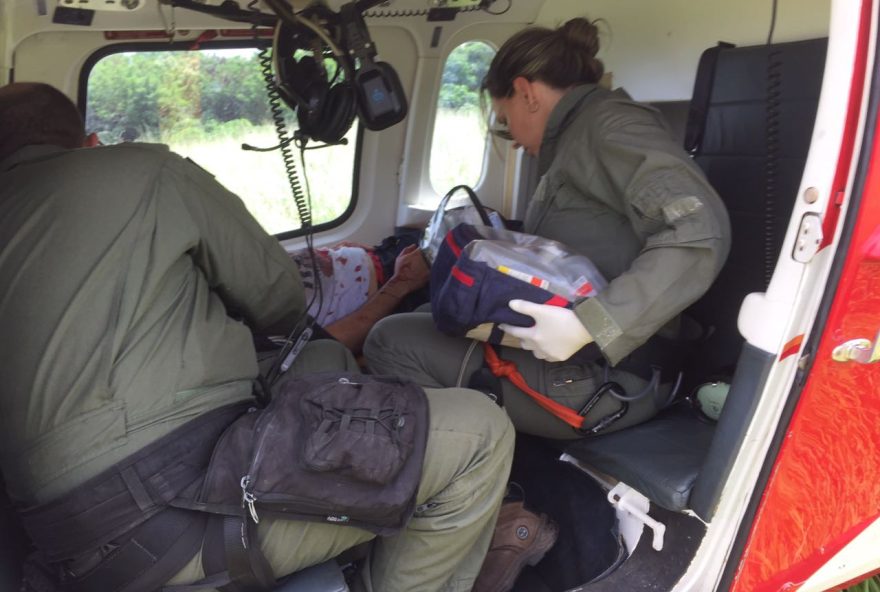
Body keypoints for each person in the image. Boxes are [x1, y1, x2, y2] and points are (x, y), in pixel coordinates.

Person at [0, 81, 517, 592]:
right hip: (170, 509)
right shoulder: (145, 171)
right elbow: (276, 295)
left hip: (60, 531)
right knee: (481, 434)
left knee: (325, 356)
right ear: (90, 144)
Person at [364, 18, 732, 440]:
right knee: (431, 315)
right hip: (586, 359)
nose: (513, 139)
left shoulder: (610, 127)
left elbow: (699, 227)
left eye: (505, 118)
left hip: (609, 379)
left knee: (389, 340)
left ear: (527, 93)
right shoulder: (576, 137)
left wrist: (594, 324)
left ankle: (469, 478)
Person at [291, 239, 429, 354]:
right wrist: (401, 283)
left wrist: (331, 257)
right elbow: (331, 346)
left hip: (384, 256)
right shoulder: (277, 336)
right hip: (394, 293)